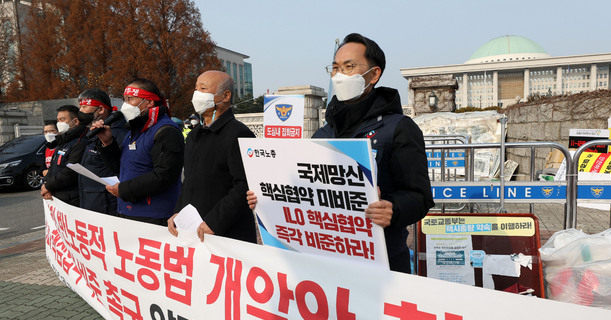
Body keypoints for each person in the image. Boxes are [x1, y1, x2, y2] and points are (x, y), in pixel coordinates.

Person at [248, 33, 433, 273]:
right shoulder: (324, 132)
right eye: (335, 68)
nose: (339, 75)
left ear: (374, 74)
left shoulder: (399, 128)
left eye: (349, 67)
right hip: (325, 261)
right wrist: (266, 198)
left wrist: (393, 208)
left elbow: (420, 197)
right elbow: (304, 189)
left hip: (381, 262)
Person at [168, 70, 256, 243]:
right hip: (194, 230)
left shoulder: (238, 133)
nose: (196, 94)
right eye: (196, 89)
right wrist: (178, 212)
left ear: (225, 96)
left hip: (227, 233)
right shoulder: (195, 135)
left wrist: (215, 222)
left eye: (203, 89)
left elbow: (244, 185)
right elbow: (189, 180)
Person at [94, 78, 183, 225]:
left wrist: (123, 189)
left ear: (149, 102)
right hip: (129, 210)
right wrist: (107, 143)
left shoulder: (165, 130)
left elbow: (165, 175)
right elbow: (121, 168)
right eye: (124, 99)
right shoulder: (135, 129)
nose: (125, 104)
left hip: (154, 214)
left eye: (131, 99)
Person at [77, 89, 128, 215]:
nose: (80, 111)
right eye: (80, 107)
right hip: (92, 200)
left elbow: (121, 167)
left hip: (108, 203)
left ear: (101, 110)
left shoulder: (119, 133)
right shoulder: (93, 132)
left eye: (84, 107)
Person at [41, 105, 87, 205]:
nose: (59, 123)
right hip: (58, 196)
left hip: (73, 198)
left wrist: (48, 185)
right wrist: (45, 183)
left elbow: (70, 172)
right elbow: (53, 167)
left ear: (75, 121)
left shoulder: (80, 142)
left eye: (62, 119)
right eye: (58, 120)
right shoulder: (62, 141)